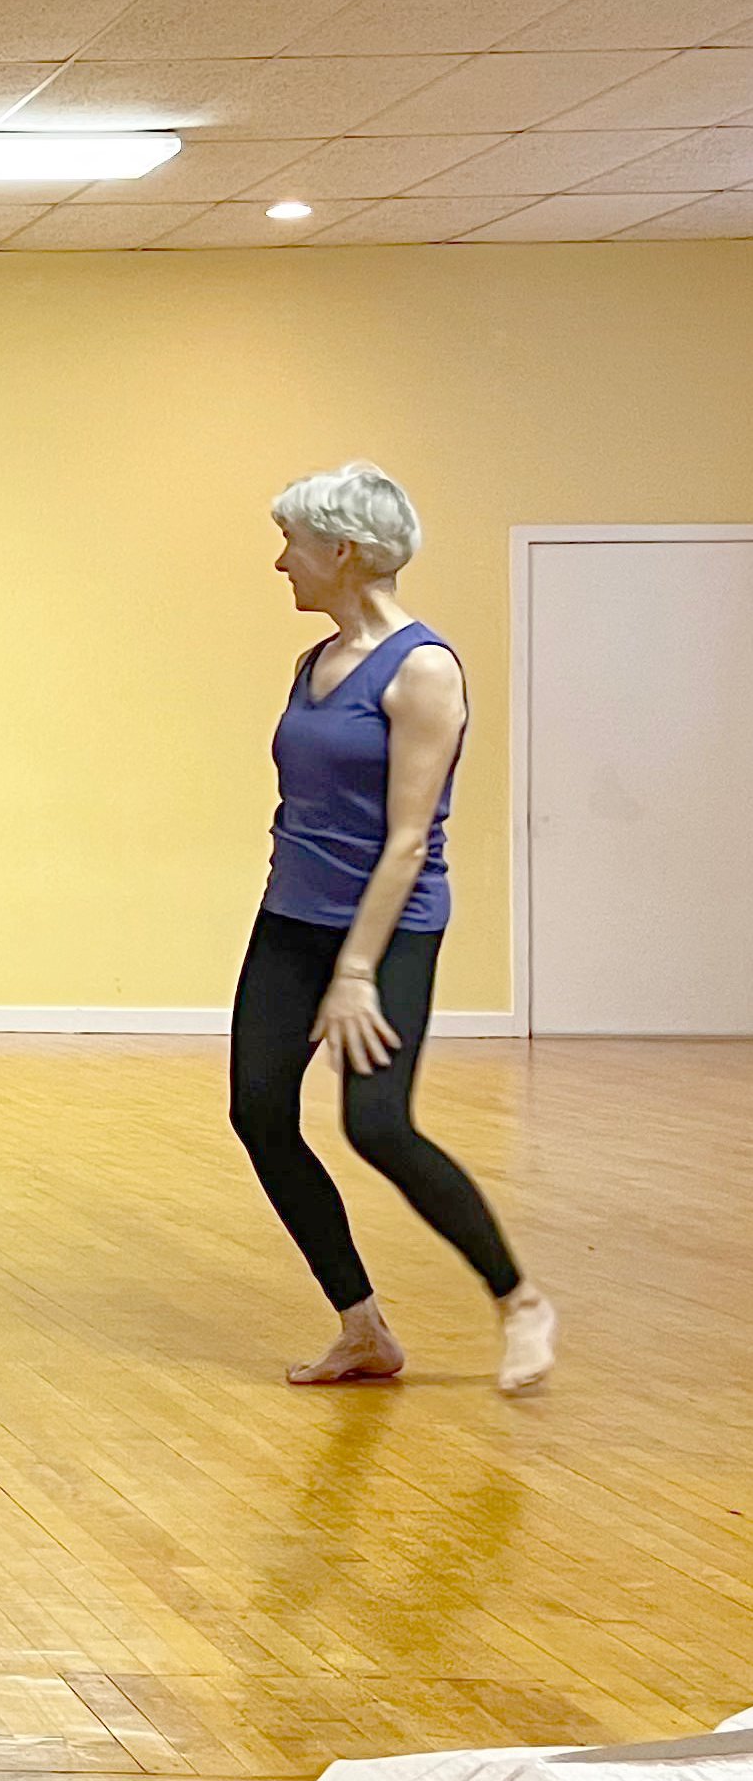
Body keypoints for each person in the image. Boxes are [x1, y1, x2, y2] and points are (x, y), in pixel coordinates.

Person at [232, 463, 556, 1394]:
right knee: (258, 1112)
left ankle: (518, 1300)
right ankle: (362, 1326)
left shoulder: (423, 669)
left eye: (291, 543)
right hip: (290, 918)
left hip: (388, 929)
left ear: (342, 551)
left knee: (375, 1123)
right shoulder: (313, 663)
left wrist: (355, 972)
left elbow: (408, 838)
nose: (280, 563)